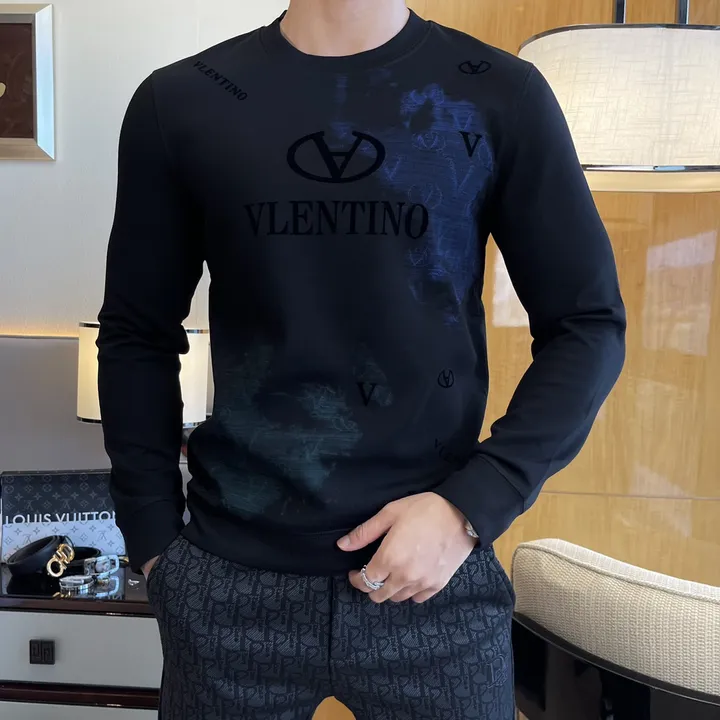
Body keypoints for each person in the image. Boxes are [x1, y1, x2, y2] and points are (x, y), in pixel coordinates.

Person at [97, 0, 626, 718]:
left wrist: (472, 505)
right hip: (227, 582)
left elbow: (588, 323)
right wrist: (153, 539)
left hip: (435, 579)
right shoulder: (183, 98)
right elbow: (137, 331)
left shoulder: (500, 92)